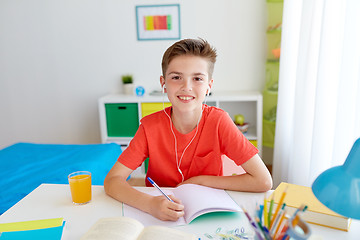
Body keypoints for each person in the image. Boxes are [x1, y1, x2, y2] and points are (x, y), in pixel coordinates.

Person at [104, 38, 272, 222]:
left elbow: (263, 181)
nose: (187, 87)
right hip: (160, 216)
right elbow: (113, 181)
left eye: (197, 78)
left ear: (209, 86)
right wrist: (150, 204)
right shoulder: (149, 127)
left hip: (208, 213)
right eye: (176, 77)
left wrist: (202, 180)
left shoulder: (219, 122)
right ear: (163, 83)